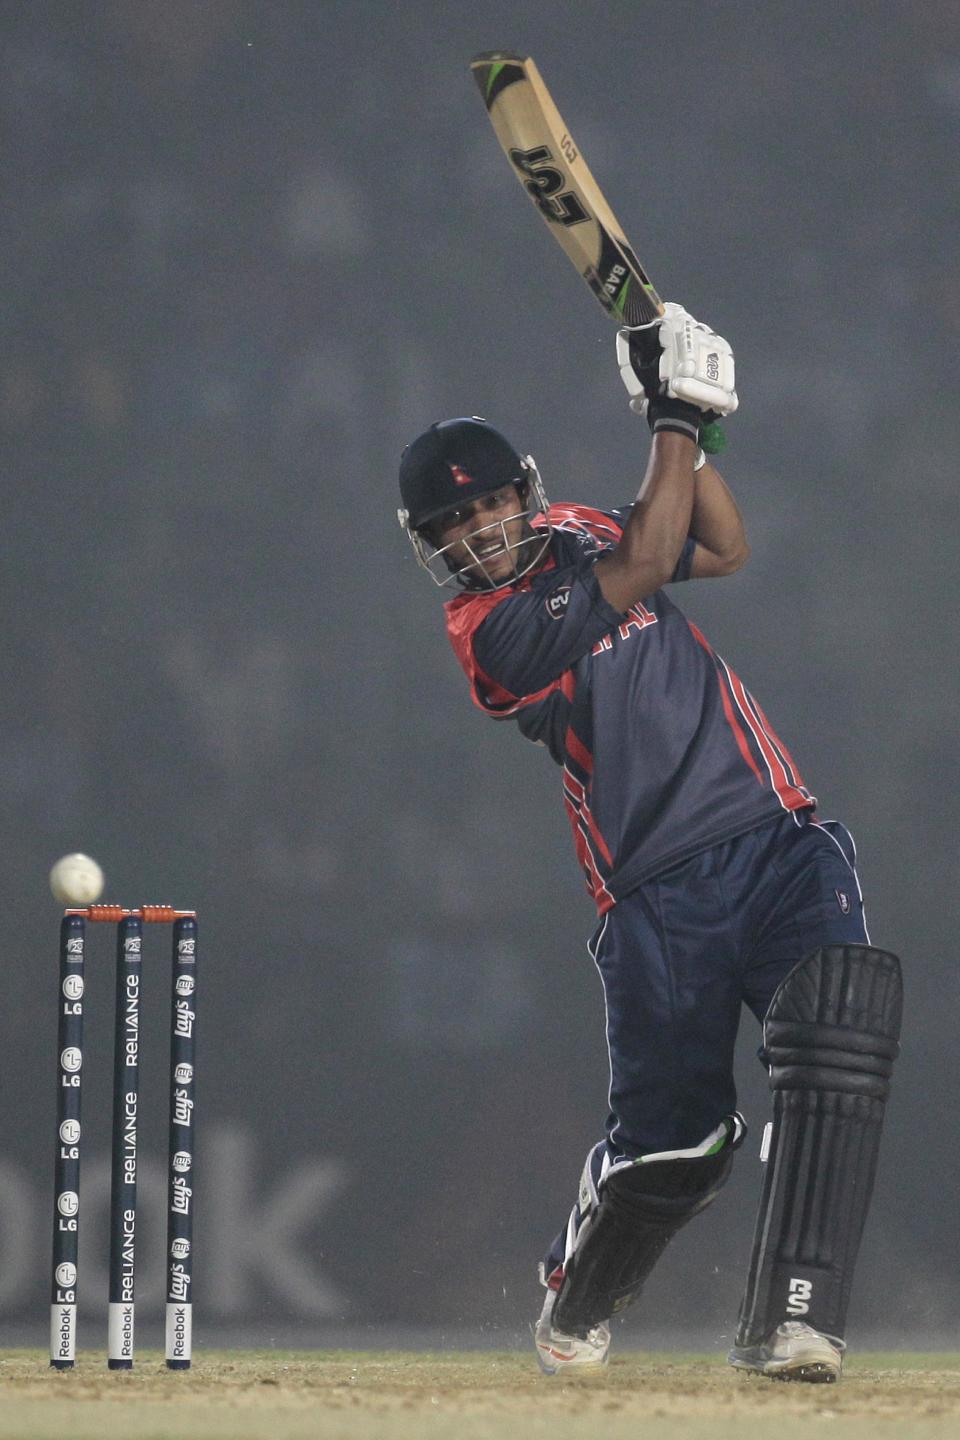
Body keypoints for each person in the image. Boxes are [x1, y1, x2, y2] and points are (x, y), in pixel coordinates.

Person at [396, 305, 901, 1383]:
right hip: (656, 895)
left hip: (776, 835)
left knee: (839, 1040)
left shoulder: (575, 524)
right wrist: (671, 411)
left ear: (524, 492)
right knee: (677, 1147)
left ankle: (793, 1322)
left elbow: (721, 545)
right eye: (456, 524)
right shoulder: (490, 637)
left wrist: (697, 429)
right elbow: (662, 547)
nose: (481, 530)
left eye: (490, 503)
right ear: (433, 547)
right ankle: (578, 1291)